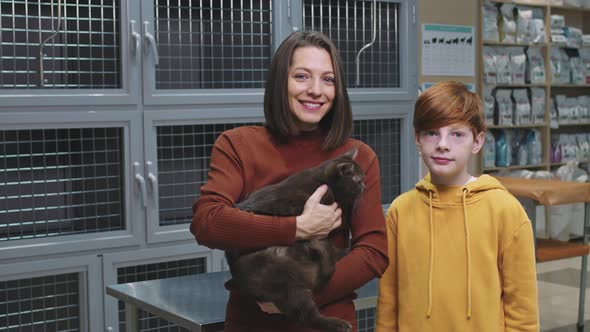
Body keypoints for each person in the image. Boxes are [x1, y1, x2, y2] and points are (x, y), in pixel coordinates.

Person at [191, 30, 388, 331]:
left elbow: (373, 251)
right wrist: (297, 228)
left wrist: (296, 297)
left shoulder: (358, 158)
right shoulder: (237, 145)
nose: (315, 90)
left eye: (328, 79)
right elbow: (208, 222)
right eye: (301, 76)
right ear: (279, 82)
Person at [376, 81, 539, 331]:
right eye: (432, 132)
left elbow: (522, 310)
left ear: (477, 141)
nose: (442, 144)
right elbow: (388, 301)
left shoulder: (505, 211)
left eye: (457, 134)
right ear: (417, 137)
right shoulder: (400, 211)